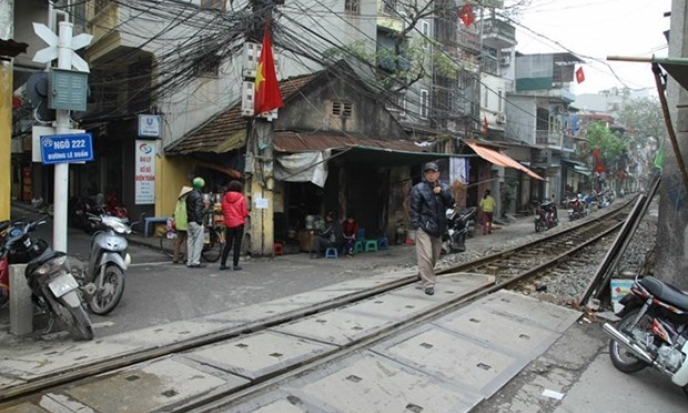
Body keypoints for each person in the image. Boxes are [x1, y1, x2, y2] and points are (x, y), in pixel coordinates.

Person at [409, 162, 455, 296]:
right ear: (424, 175)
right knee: (426, 255)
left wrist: (442, 193)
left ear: (438, 174)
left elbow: (452, 203)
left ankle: (423, 272)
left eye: (433, 172)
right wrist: (416, 225)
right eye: (428, 173)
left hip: (439, 228)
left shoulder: (444, 187)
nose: (431, 175)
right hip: (423, 227)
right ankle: (429, 284)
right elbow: (413, 210)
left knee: (434, 256)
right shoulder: (418, 189)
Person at [220, 180, 249, 271]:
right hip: (239, 224)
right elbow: (244, 212)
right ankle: (235, 265)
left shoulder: (225, 198)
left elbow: (223, 209)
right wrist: (241, 217)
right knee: (237, 244)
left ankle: (222, 264)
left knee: (228, 244)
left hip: (229, 223)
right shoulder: (241, 198)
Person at [186, 177, 207, 268]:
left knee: (190, 242)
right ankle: (196, 262)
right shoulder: (198, 196)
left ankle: (189, 261)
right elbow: (197, 211)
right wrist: (200, 220)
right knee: (198, 242)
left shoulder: (189, 195)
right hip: (196, 221)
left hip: (189, 220)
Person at [172, 186, 192, 264]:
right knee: (188, 241)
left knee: (178, 241)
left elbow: (175, 212)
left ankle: (175, 258)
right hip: (186, 223)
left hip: (179, 224)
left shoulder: (179, 201)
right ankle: (186, 258)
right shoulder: (188, 201)